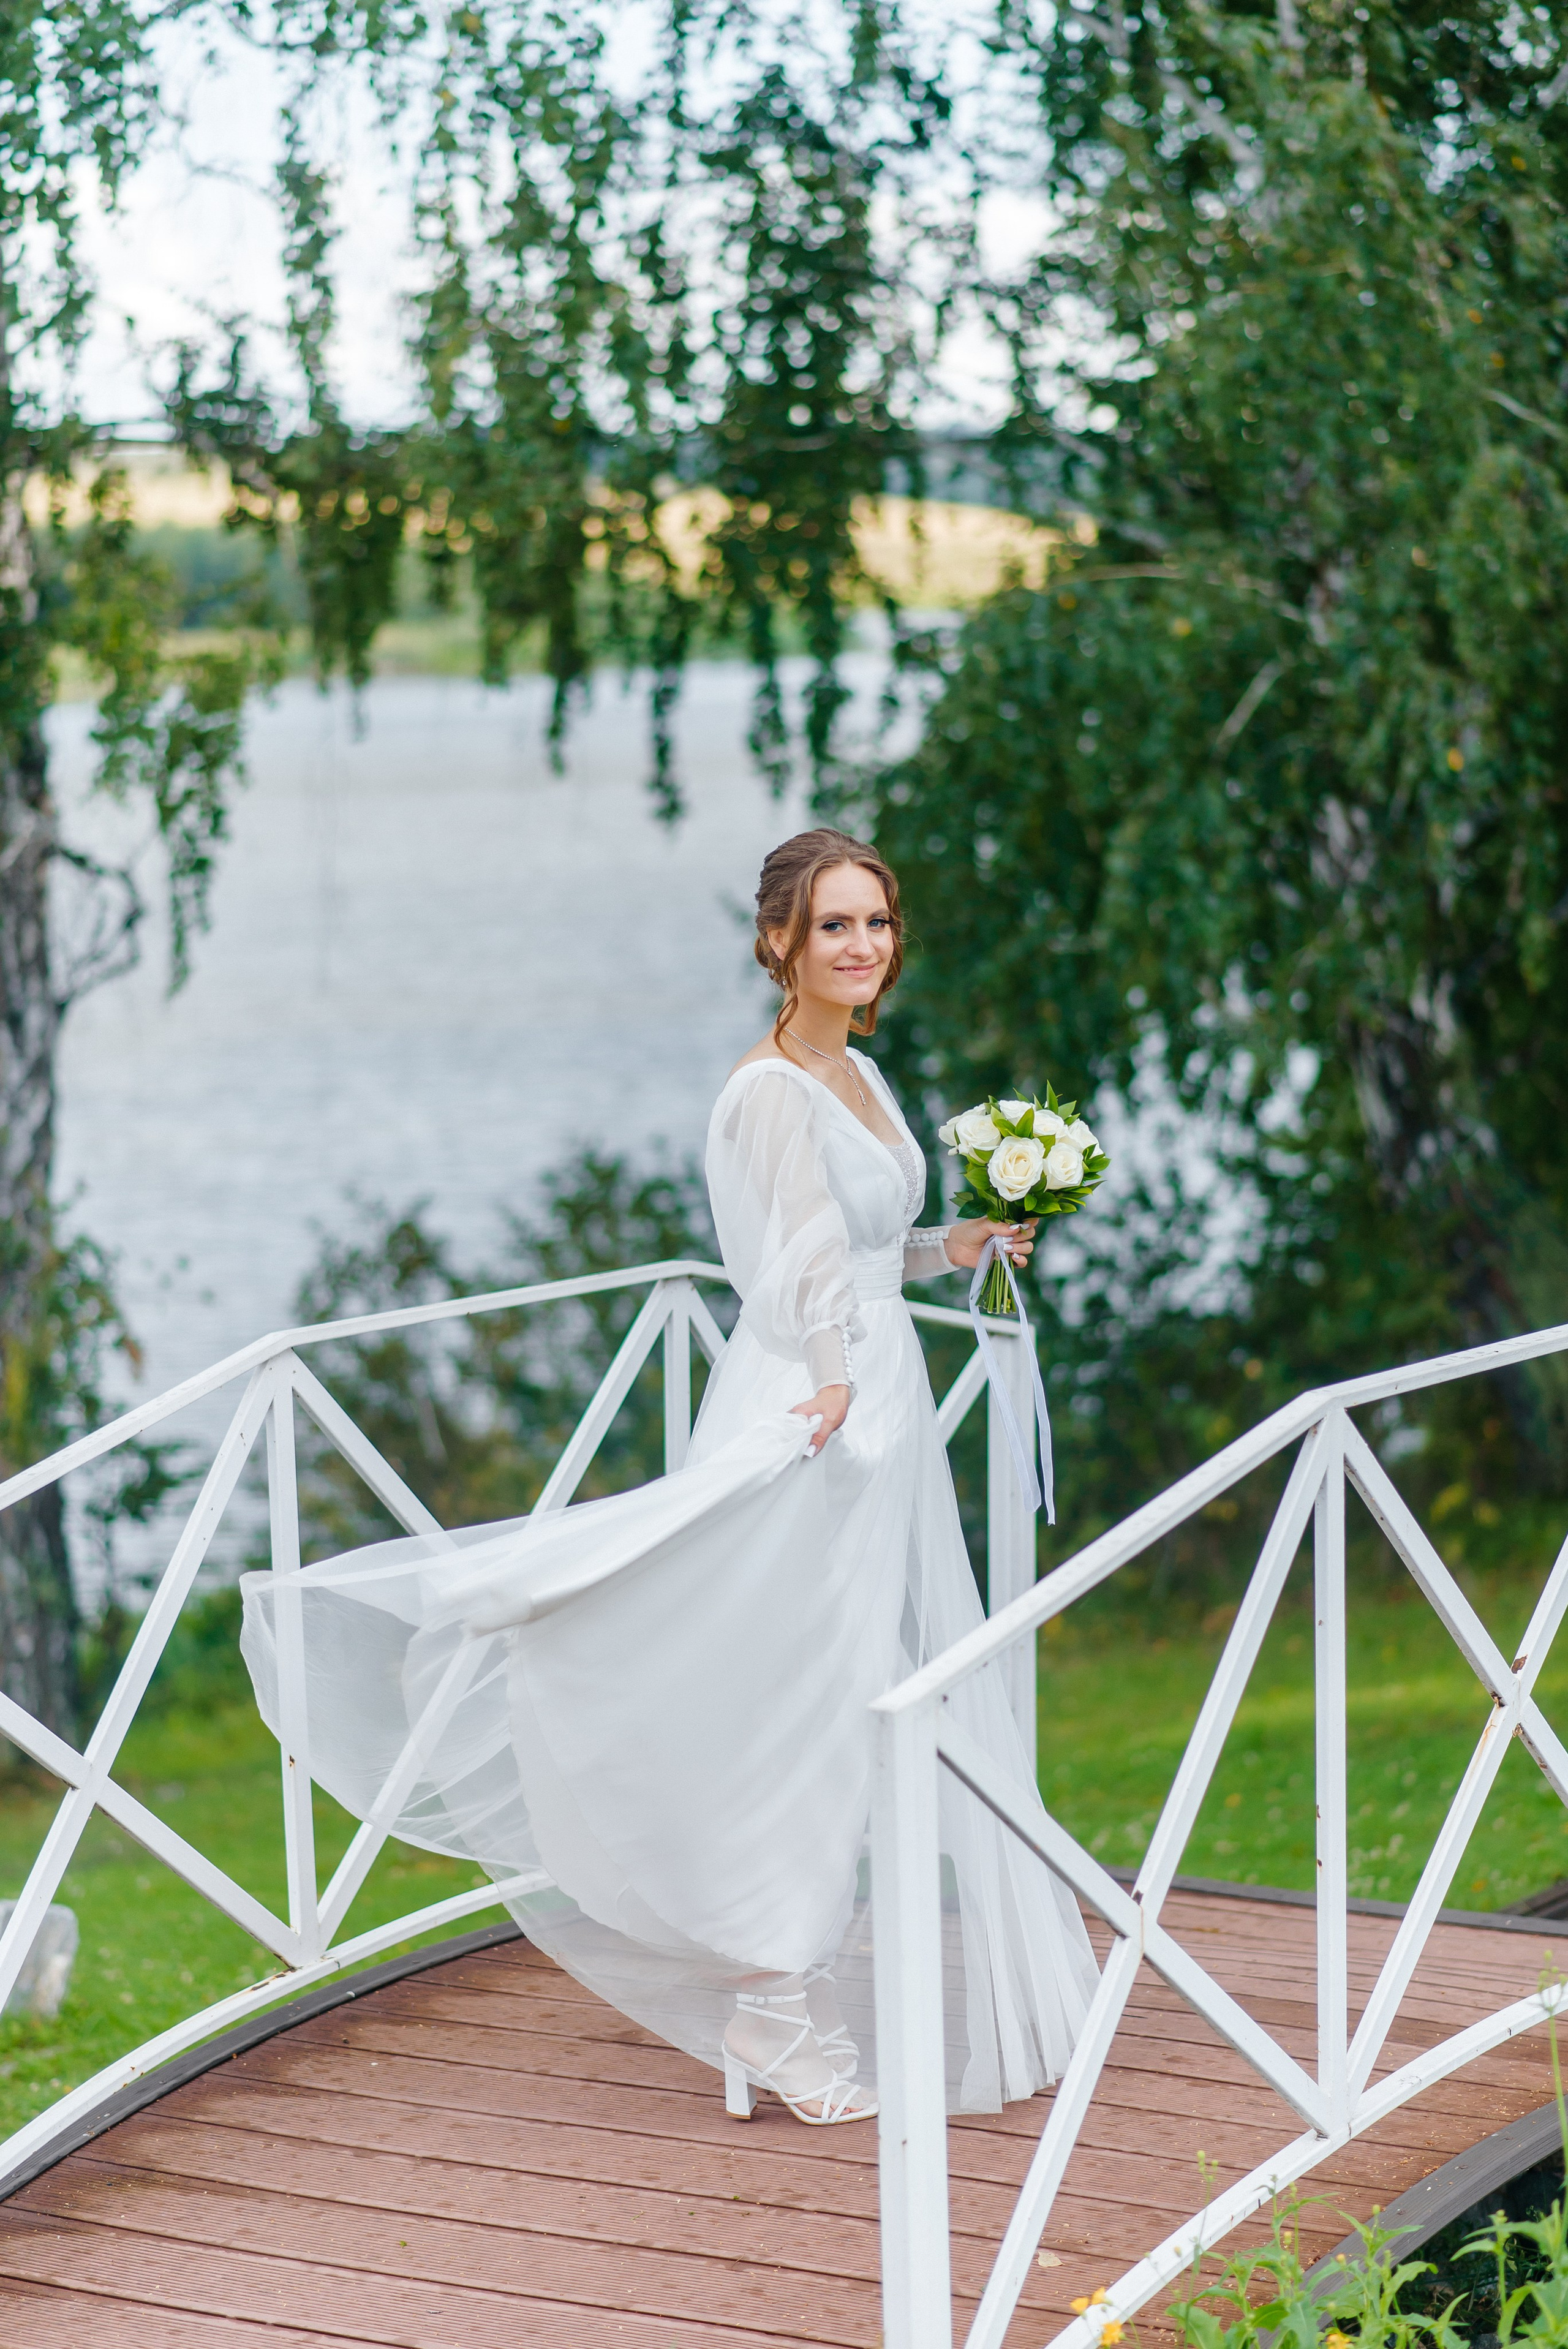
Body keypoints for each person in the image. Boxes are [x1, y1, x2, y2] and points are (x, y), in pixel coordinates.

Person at [241, 828, 1098, 2128]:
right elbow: (799, 1274)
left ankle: (779, 1972)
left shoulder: (858, 1072)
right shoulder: (764, 1091)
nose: (860, 946)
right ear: (776, 943)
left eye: (875, 922)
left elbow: (860, 1246)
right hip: (823, 1410)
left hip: (873, 1389)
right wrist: (829, 1389)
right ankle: (769, 1994)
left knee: (852, 1692)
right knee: (793, 1705)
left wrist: (953, 1242)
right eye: (831, 927)